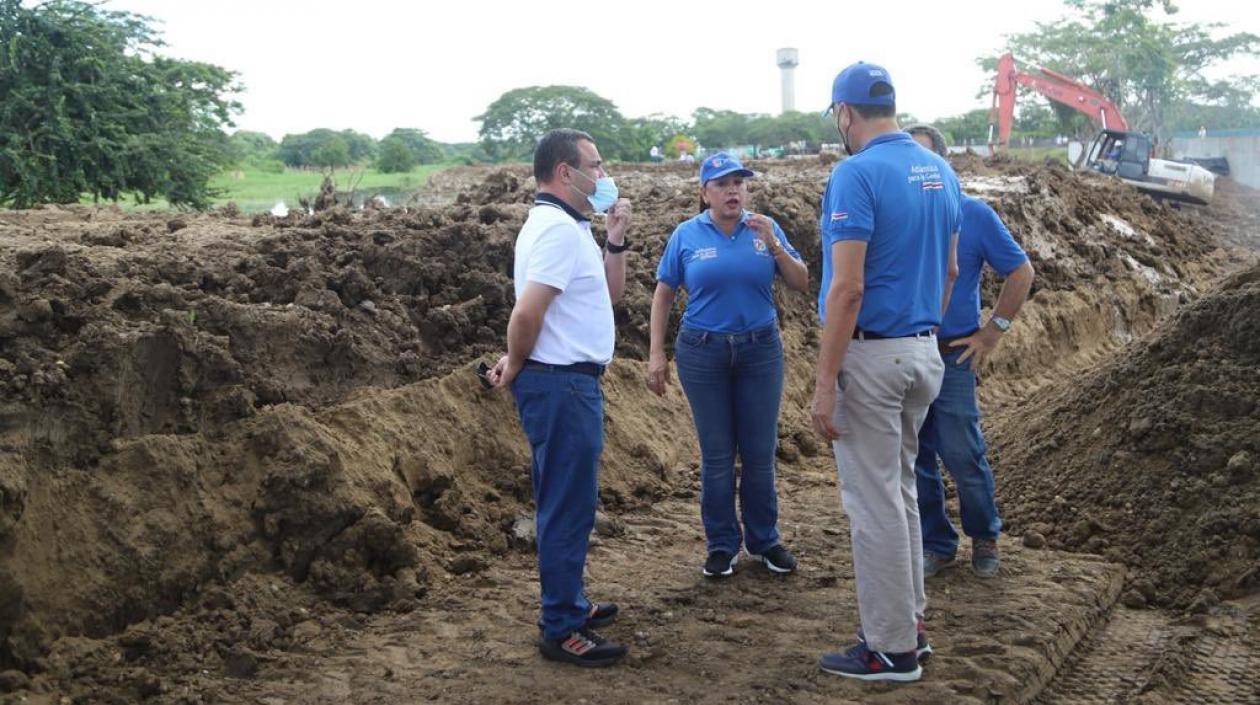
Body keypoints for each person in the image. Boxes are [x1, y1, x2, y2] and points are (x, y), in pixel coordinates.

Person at [809, 62, 961, 683]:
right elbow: (950, 271)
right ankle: (910, 625)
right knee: (898, 494)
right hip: (924, 350)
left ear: (845, 114)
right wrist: (921, 330)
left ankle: (890, 649)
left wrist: (824, 381)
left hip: (873, 356)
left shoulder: (856, 173)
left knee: (872, 505)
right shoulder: (941, 170)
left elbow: (846, 289)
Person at [487, 128, 633, 667]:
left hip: (569, 381)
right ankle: (560, 627)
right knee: (566, 507)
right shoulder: (555, 231)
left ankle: (569, 604)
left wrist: (615, 237)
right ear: (565, 173)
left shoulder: (572, 227)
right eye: (595, 165)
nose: (603, 175)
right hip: (559, 383)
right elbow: (526, 314)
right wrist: (518, 361)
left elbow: (607, 294)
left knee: (571, 500)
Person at [647, 152, 809, 578]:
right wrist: (656, 353)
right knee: (718, 456)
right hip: (704, 353)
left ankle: (765, 539)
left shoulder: (763, 229)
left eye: (738, 182)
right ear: (705, 193)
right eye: (721, 183)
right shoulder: (685, 235)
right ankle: (722, 544)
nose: (732, 190)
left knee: (759, 453)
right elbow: (663, 294)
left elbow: (800, 281)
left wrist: (774, 244)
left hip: (760, 351)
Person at [905, 124, 1035, 580]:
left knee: (962, 452)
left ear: (942, 164)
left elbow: (1020, 271)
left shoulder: (973, 214)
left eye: (922, 159)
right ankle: (938, 544)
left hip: (954, 354)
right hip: (906, 350)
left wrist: (992, 330)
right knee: (917, 456)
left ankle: (984, 535)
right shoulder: (896, 216)